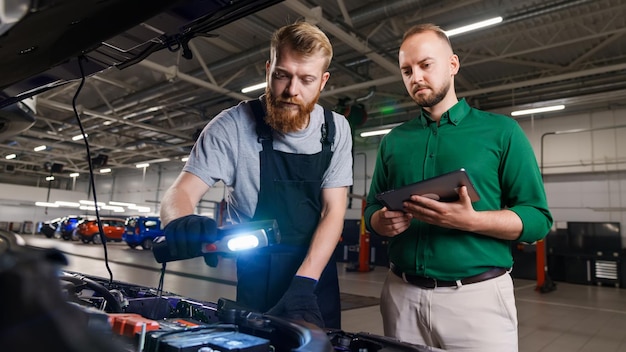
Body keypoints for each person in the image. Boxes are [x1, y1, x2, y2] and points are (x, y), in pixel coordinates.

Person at [364, 23, 553, 351]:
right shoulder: (393, 141)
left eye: (426, 65)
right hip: (400, 295)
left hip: (477, 301)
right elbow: (369, 210)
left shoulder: (502, 132)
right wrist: (380, 221)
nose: (416, 78)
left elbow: (538, 219)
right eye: (406, 70)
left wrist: (472, 221)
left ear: (453, 65)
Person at [159, 21, 353, 329]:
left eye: (306, 79)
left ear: (323, 82)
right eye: (282, 75)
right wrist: (180, 221)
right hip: (257, 272)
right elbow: (179, 193)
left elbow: (334, 210)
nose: (292, 90)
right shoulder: (232, 126)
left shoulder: (336, 129)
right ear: (268, 70)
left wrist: (304, 285)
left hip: (314, 279)